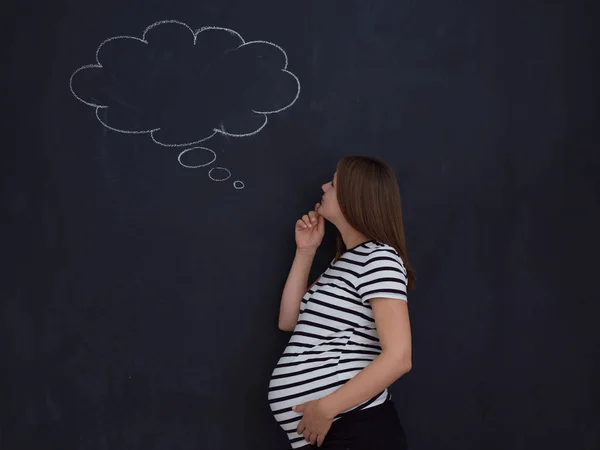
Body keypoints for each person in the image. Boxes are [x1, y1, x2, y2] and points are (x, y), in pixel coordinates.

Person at [268, 156, 416, 449]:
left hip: (354, 428)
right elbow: (289, 320)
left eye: (333, 184)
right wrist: (306, 252)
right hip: (336, 433)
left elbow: (399, 357)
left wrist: (326, 409)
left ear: (353, 198)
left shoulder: (379, 258)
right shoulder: (344, 262)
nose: (323, 187)